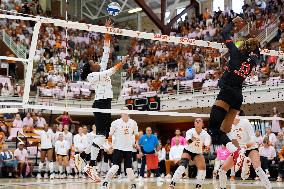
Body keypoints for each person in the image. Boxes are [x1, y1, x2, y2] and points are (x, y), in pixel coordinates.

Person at [207, 16, 260, 163]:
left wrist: (233, 23)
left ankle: (236, 152)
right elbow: (258, 52)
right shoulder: (253, 62)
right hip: (238, 97)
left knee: (213, 129)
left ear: (243, 45)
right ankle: (237, 152)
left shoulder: (236, 53)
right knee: (225, 130)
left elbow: (225, 34)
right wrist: (255, 42)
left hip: (228, 92)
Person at [218, 114, 271, 189]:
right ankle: (223, 187)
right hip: (240, 150)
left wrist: (245, 146)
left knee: (258, 168)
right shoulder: (230, 128)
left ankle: (269, 187)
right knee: (222, 170)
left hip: (251, 148)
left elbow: (253, 139)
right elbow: (233, 143)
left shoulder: (245, 122)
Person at [101, 109, 139, 189]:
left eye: (126, 111)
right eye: (123, 111)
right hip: (118, 148)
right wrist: (110, 145)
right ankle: (105, 182)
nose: (125, 113)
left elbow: (136, 134)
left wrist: (136, 143)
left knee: (128, 169)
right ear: (121, 113)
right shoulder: (115, 123)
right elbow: (110, 136)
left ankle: (134, 184)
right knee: (115, 167)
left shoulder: (133, 123)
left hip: (128, 149)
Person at [168, 118, 211, 189]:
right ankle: (172, 183)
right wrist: (193, 139)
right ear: (194, 124)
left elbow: (207, 146)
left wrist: (206, 148)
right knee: (182, 166)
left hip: (197, 153)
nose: (197, 122)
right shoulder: (190, 131)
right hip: (188, 151)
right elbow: (188, 142)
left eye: (199, 121)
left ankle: (198, 186)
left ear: (202, 124)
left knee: (203, 168)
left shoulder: (206, 135)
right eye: (196, 121)